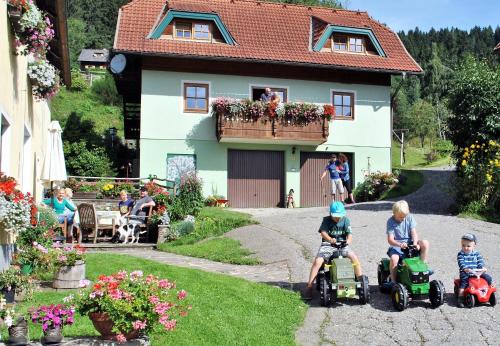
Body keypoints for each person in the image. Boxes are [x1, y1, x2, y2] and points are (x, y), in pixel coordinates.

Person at [303, 202, 363, 299]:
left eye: (339, 216)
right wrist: (330, 239)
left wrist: (348, 240)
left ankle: (360, 281)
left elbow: (349, 234)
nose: (337, 218)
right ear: (331, 213)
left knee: (354, 257)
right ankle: (309, 286)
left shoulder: (346, 220)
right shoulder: (326, 220)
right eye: (335, 216)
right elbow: (323, 233)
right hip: (328, 245)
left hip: (343, 244)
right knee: (318, 261)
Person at [385, 200, 431, 288]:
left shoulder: (409, 217)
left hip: (410, 243)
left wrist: (415, 244)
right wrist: (400, 244)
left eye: (404, 216)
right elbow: (390, 240)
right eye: (401, 217)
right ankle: (394, 282)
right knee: (394, 258)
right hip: (397, 246)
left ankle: (422, 267)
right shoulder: (390, 222)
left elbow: (414, 233)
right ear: (394, 213)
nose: (403, 219)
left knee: (425, 243)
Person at [456, 233, 493, 308]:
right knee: (463, 283)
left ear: (473, 246)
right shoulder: (461, 254)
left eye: (468, 246)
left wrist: (481, 268)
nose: (465, 248)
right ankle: (460, 298)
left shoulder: (477, 254)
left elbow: (480, 261)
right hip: (466, 272)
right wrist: (465, 268)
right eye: (463, 245)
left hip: (476, 272)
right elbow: (461, 262)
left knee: (488, 278)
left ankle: (486, 292)